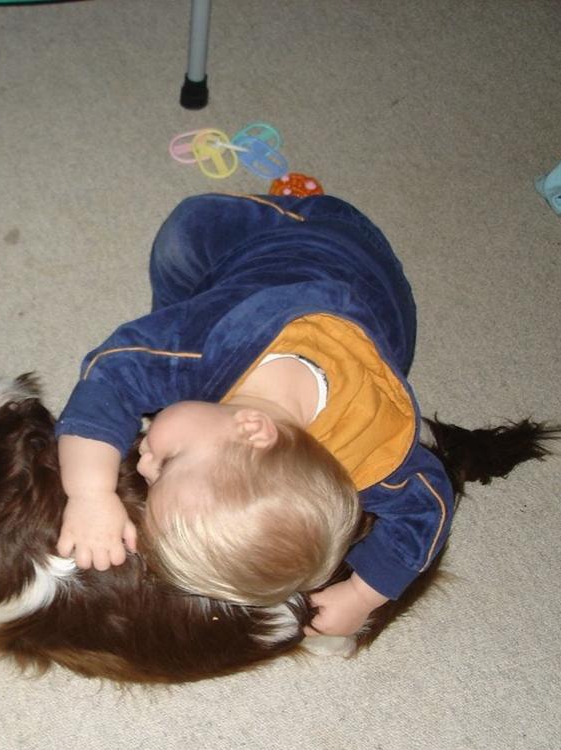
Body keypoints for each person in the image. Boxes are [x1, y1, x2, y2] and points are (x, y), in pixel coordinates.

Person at [55, 193, 454, 637]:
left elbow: (429, 505)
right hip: (308, 231)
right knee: (190, 227)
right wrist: (89, 493)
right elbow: (110, 375)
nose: (143, 465)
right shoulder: (210, 345)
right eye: (165, 465)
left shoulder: (365, 452)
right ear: (250, 428)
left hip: (378, 295)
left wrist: (363, 595)